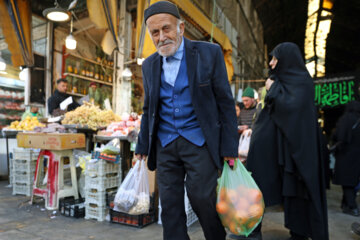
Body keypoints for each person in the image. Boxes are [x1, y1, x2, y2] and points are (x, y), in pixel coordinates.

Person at [134, 1, 238, 240]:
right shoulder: (150, 64)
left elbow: (224, 102)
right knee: (169, 206)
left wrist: (229, 147)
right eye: (155, 33)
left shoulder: (208, 53)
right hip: (165, 143)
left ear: (181, 27)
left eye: (166, 29)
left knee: (202, 197)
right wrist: (141, 146)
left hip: (198, 141)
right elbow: (149, 107)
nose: (162, 37)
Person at [246, 42, 329, 240]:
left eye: (275, 58)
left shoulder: (302, 83)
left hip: (296, 150)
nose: (271, 63)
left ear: (286, 60)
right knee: (257, 186)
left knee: (297, 191)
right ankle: (250, 230)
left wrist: (273, 90)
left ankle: (299, 232)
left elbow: (292, 110)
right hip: (274, 149)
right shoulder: (277, 82)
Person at [332, 100, 360, 216]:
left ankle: (351, 206)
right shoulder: (358, 119)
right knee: (352, 181)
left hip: (345, 155)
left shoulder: (345, 119)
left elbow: (339, 136)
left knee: (346, 181)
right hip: (357, 156)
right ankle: (346, 204)